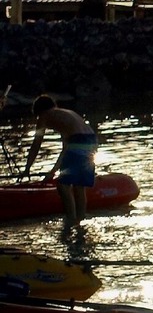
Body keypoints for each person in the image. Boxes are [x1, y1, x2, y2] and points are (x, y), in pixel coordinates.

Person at [22, 95, 97, 229]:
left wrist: (27, 168)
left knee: (63, 186)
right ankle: (80, 221)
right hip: (91, 141)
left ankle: (70, 222)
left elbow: (36, 144)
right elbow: (66, 150)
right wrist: (53, 171)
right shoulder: (65, 114)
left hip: (79, 142)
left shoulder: (44, 116)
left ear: (40, 111)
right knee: (79, 186)